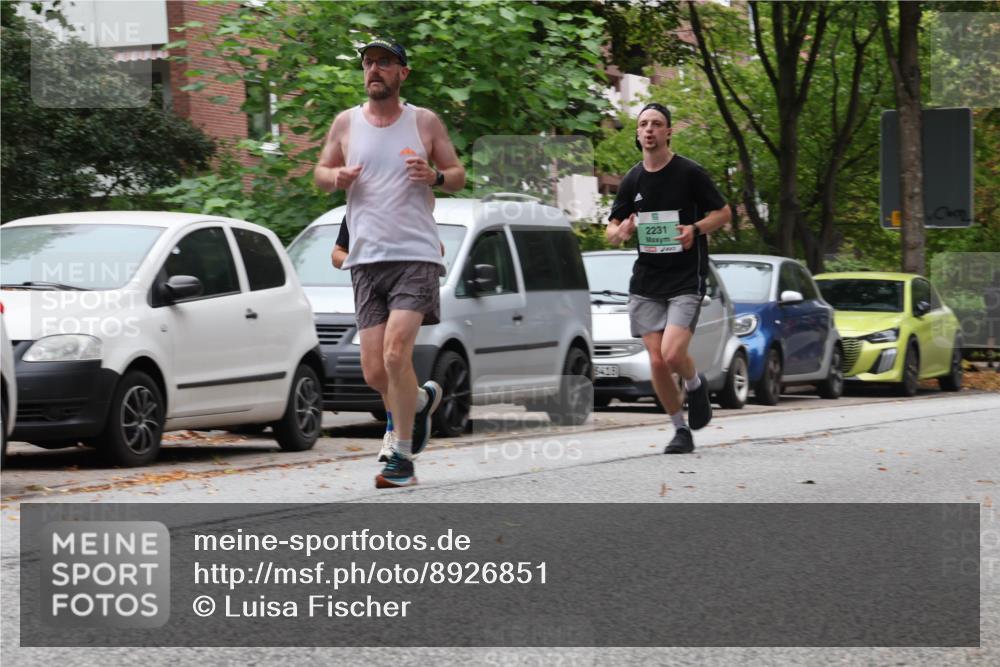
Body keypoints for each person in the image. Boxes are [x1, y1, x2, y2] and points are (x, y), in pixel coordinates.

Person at [314, 37, 466, 487]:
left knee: (397, 353)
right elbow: (320, 173)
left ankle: (401, 459)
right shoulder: (346, 124)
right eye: (368, 63)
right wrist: (334, 176)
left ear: (403, 73)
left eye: (384, 62)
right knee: (375, 370)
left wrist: (434, 175)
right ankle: (417, 402)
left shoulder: (425, 122)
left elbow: (456, 175)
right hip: (366, 261)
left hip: (415, 255)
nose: (374, 69)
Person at [605, 102, 732, 454]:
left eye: (656, 124)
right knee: (657, 361)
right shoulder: (633, 179)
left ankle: (694, 383)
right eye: (643, 124)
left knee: (673, 353)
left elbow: (723, 213)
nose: (649, 130)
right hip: (647, 282)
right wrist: (621, 231)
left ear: (668, 131)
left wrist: (695, 228)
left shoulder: (689, 173)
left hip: (685, 278)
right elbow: (612, 228)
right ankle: (680, 429)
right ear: (637, 132)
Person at [331, 217, 447, 463]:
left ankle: (394, 435)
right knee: (374, 373)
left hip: (406, 282)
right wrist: (356, 258)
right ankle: (420, 400)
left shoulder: (403, 202)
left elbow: (438, 247)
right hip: (369, 282)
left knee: (392, 356)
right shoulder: (357, 210)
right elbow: (337, 254)